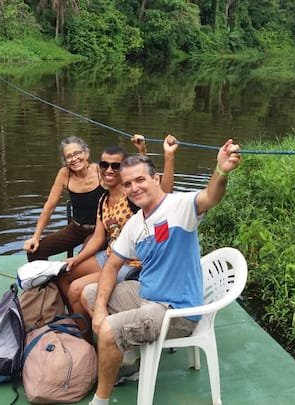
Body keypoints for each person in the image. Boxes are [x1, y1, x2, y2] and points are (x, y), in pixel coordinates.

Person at [83, 139, 242, 405]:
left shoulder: (180, 207)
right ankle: (130, 361)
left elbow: (210, 196)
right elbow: (111, 266)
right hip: (147, 296)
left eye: (140, 180)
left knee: (108, 331)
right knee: (90, 294)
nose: (134, 188)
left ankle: (100, 401)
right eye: (128, 184)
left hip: (176, 310)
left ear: (155, 179)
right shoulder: (135, 224)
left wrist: (221, 171)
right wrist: (99, 309)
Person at [60, 134, 179, 341]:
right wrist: (76, 260)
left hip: (131, 263)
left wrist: (168, 157)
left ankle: (92, 342)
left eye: (115, 166)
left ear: (123, 170)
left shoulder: (133, 196)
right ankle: (81, 325)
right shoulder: (103, 200)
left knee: (76, 289)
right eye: (104, 165)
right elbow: (98, 239)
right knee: (63, 275)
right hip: (110, 255)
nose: (108, 170)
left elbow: (163, 193)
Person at [23, 136, 105, 262]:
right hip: (77, 228)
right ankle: (44, 276)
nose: (74, 159)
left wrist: (139, 148)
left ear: (86, 153)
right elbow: (49, 207)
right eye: (69, 156)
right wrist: (36, 237)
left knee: (80, 260)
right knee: (36, 251)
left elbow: (129, 178)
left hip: (101, 230)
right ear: (65, 161)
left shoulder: (101, 171)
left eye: (77, 153)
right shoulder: (64, 174)